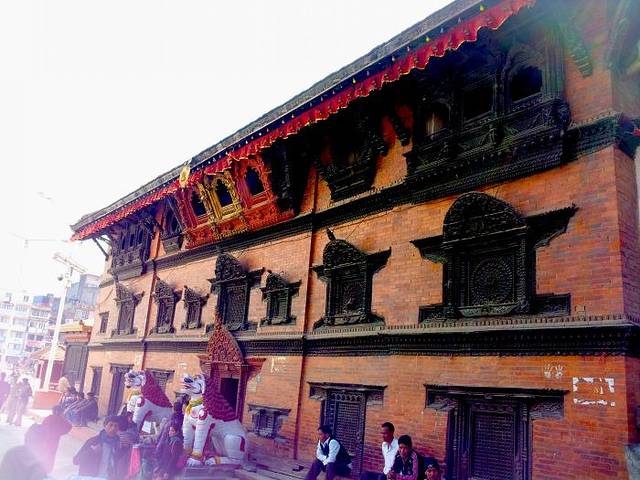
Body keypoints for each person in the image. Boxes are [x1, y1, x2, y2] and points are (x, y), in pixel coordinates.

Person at [24, 405, 72, 474]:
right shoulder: (61, 420)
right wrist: (60, 432)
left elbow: (42, 427)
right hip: (53, 442)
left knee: (42, 454)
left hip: (43, 440)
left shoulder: (48, 418)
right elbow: (69, 427)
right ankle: (47, 470)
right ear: (62, 412)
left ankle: (39, 468)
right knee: (51, 456)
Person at [73, 415, 122, 479]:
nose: (113, 428)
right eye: (111, 425)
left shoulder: (117, 444)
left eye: (116, 426)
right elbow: (76, 461)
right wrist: (92, 450)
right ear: (105, 426)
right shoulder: (93, 441)